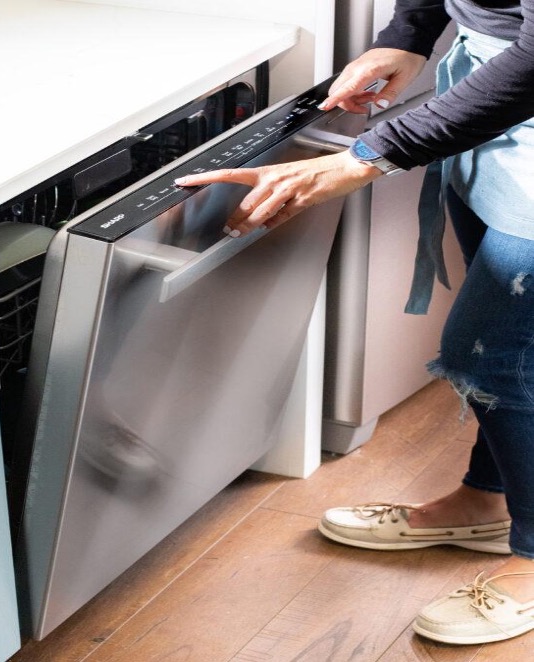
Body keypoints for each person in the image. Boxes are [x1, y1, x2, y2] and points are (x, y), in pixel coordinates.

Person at [175, 0, 534, 647]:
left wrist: (364, 158)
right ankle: (492, 500)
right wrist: (413, 32)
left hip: (523, 83)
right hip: (491, 93)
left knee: (492, 354)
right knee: (519, 349)